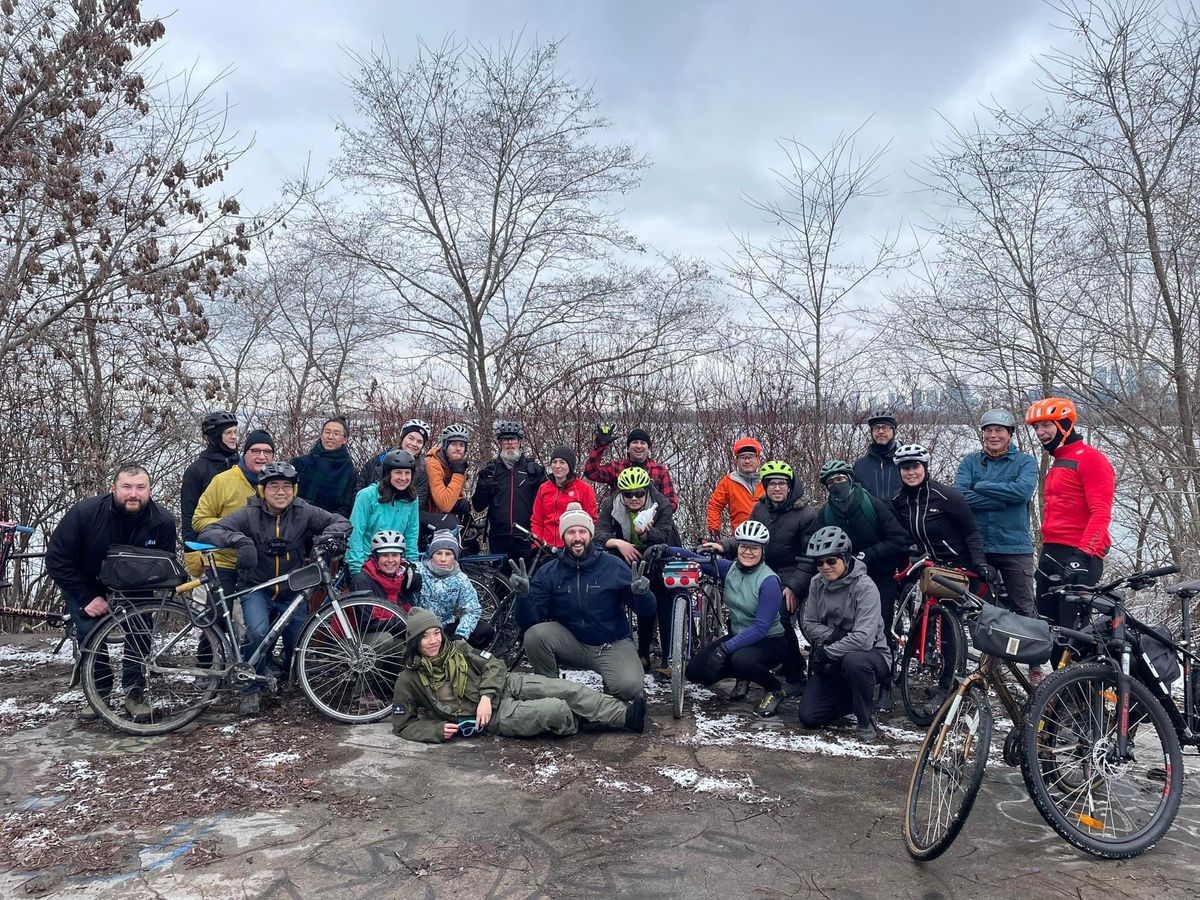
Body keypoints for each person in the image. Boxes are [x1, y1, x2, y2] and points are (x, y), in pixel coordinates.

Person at [199, 462, 351, 716]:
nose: (281, 492)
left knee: (299, 641)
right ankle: (250, 689)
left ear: (294, 489)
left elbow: (341, 522)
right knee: (258, 633)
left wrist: (325, 539)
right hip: (256, 588)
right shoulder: (248, 514)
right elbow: (208, 532)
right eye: (274, 487)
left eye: (286, 487)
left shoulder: (303, 511)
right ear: (262, 490)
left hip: (293, 590)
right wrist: (239, 540)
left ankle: (289, 680)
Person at [391, 608, 647, 743]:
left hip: (504, 686)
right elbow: (402, 725)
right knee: (555, 709)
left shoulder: (458, 648)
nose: (434, 640)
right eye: (425, 636)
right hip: (494, 717)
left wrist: (485, 696)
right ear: (415, 641)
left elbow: (494, 665)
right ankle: (582, 719)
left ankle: (626, 716)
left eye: (436, 632)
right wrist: (434, 730)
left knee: (567, 690)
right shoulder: (409, 679)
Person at [46, 463, 177, 722]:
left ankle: (134, 692)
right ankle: (100, 692)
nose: (133, 494)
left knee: (140, 632)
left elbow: (165, 565)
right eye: (126, 487)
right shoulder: (84, 513)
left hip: (135, 586)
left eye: (141, 487)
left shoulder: (163, 521)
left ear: (150, 490)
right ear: (113, 488)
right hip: (86, 582)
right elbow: (57, 560)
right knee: (89, 634)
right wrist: (86, 597)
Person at [512, 503, 654, 701]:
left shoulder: (613, 566)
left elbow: (647, 612)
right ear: (563, 536)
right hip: (572, 643)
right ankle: (552, 692)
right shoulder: (549, 571)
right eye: (571, 532)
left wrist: (643, 595)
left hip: (611, 644)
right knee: (535, 636)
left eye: (582, 531)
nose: (577, 538)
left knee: (628, 688)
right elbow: (530, 623)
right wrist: (524, 596)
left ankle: (612, 684)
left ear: (590, 535)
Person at [1025, 397, 1115, 676]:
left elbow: (1101, 513)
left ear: (1064, 424)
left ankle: (1090, 705)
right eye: (1036, 428)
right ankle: (1060, 704)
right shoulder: (1059, 461)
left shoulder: (1091, 459)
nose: (1040, 433)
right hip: (1051, 554)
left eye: (1045, 426)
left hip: (1079, 556)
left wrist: (1083, 555)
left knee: (1072, 640)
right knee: (1051, 635)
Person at [664, 521, 792, 714]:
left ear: (762, 551)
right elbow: (696, 558)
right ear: (738, 547)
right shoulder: (730, 569)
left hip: (769, 642)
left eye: (754, 548)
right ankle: (743, 675)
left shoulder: (769, 581)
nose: (748, 552)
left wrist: (725, 649)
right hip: (739, 637)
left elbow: (760, 627)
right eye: (743, 546)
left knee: (741, 661)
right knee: (696, 672)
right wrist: (667, 550)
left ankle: (773, 689)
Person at [814, 459, 909, 702]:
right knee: (845, 626)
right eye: (831, 482)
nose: (837, 485)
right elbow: (812, 541)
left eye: (841, 479)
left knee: (883, 626)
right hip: (844, 578)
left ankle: (886, 684)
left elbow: (899, 538)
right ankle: (844, 676)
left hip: (879, 575)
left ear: (851, 479)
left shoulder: (871, 504)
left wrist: (868, 554)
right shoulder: (826, 512)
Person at [737, 460, 818, 715]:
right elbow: (750, 541)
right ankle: (749, 668)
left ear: (790, 486)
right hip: (763, 571)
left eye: (781, 483)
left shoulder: (806, 514)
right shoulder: (760, 509)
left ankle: (796, 676)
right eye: (771, 484)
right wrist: (724, 547)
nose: (776, 488)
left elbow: (809, 558)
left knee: (779, 616)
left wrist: (793, 586)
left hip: (792, 574)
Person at [797, 526, 891, 742]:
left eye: (831, 561)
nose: (825, 567)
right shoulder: (815, 584)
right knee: (808, 717)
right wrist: (835, 636)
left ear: (845, 558)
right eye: (819, 562)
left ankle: (865, 718)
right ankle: (853, 697)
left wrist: (829, 652)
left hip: (872, 656)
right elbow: (809, 623)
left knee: (855, 661)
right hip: (834, 652)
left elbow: (864, 639)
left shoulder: (866, 587)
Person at [594, 466, 680, 674]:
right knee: (636, 595)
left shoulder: (661, 504)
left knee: (662, 598)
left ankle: (668, 660)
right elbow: (599, 532)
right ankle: (641, 654)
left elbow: (663, 533)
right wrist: (617, 543)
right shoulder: (610, 504)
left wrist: (644, 535)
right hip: (628, 552)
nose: (634, 498)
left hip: (659, 551)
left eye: (640, 493)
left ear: (647, 491)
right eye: (628, 494)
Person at [954, 409, 1039, 618]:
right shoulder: (970, 462)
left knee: (1024, 609)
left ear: (1010, 434)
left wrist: (981, 485)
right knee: (974, 608)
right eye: (988, 430)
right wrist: (1001, 502)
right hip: (978, 548)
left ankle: (1029, 648)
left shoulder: (1025, 462)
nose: (993, 435)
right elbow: (959, 496)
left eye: (999, 430)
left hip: (1014, 547)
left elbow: (1022, 492)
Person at [192, 429, 276, 599]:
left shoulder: (278, 484)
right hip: (223, 563)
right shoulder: (223, 481)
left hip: (260, 566)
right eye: (255, 451)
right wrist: (232, 530)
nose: (261, 456)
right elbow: (199, 520)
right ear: (244, 453)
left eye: (267, 452)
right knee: (217, 624)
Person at [890, 443, 988, 579]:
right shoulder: (898, 500)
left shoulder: (947, 496)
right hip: (925, 567)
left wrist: (980, 563)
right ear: (899, 471)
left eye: (915, 467)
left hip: (959, 567)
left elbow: (971, 532)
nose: (911, 472)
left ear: (924, 467)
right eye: (905, 468)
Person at [471, 420, 545, 562]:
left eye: (513, 439)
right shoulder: (491, 470)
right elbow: (478, 506)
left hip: (527, 536)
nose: (510, 443)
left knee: (528, 581)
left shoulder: (532, 470)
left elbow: (545, 504)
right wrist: (483, 487)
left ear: (520, 442)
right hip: (499, 537)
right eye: (505, 440)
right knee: (500, 583)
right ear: (500, 443)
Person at [413, 529, 494, 649]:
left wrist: (461, 634)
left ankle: (458, 658)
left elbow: (472, 609)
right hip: (419, 627)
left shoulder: (460, 579)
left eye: (448, 554)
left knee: (485, 631)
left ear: (455, 557)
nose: (443, 559)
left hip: (445, 627)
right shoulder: (418, 570)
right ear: (431, 555)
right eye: (439, 553)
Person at [180, 411, 238, 574]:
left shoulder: (243, 467)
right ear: (215, 436)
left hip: (239, 548)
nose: (234, 437)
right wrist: (190, 550)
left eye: (235, 432)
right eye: (228, 433)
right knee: (207, 598)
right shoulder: (196, 470)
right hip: (207, 548)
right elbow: (188, 513)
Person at [347, 450, 421, 575]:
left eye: (407, 473)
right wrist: (357, 569)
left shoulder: (412, 499)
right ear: (388, 474)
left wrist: (413, 565)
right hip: (366, 562)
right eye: (398, 473)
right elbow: (355, 533)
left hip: (394, 563)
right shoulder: (367, 495)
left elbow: (411, 534)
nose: (403, 478)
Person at [583, 425, 678, 511]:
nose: (639, 446)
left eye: (643, 443)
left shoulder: (660, 470)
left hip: (652, 523)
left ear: (648, 447)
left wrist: (653, 510)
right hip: (619, 522)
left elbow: (672, 503)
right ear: (628, 447)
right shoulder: (617, 467)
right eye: (635, 442)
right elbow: (591, 472)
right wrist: (600, 447)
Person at [530, 446, 598, 549]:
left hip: (572, 547)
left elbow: (592, 520)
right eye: (554, 462)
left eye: (562, 462)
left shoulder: (584, 489)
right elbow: (537, 519)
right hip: (545, 548)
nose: (557, 466)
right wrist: (537, 543)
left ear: (570, 466)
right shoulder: (544, 488)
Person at [291, 415, 357, 517]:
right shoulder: (300, 463)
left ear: (345, 439)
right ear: (321, 435)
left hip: (328, 524)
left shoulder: (349, 471)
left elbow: (345, 507)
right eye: (327, 432)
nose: (330, 437)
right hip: (296, 518)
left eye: (336, 434)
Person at [359, 418, 432, 506]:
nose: (414, 444)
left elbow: (418, 504)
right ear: (403, 438)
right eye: (411, 438)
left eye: (419, 442)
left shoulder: (421, 471)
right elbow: (359, 489)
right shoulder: (378, 461)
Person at [706, 437, 765, 539]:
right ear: (736, 460)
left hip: (767, 535)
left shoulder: (768, 481)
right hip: (740, 537)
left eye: (750, 457)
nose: (747, 461)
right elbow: (714, 505)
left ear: (758, 459)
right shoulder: (729, 481)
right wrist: (714, 531)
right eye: (742, 457)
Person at [349, 529, 423, 610]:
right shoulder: (361, 581)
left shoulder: (406, 577)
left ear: (401, 557)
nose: (390, 560)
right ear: (375, 557)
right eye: (385, 555)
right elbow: (369, 620)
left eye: (395, 555)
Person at [424, 423, 473, 521]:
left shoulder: (455, 463)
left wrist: (459, 501)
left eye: (462, 445)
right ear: (445, 446)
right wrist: (458, 474)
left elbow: (453, 494)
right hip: (426, 516)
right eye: (454, 444)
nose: (458, 448)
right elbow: (445, 504)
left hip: (441, 516)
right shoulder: (433, 463)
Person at [852, 409, 901, 501]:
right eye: (876, 428)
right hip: (870, 515)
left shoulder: (903, 464)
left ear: (893, 431)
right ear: (872, 432)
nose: (881, 431)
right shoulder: (860, 466)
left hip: (899, 514)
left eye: (885, 427)